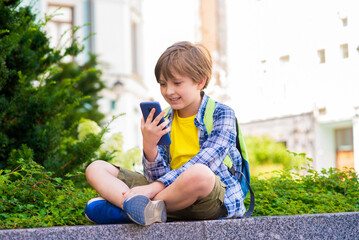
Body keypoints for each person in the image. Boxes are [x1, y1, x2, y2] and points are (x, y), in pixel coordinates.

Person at [85, 41, 246, 226]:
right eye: (163, 84)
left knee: (200, 174)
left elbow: (206, 162)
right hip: (170, 196)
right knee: (96, 168)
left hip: (208, 198)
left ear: (200, 81)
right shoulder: (165, 119)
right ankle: (144, 210)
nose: (168, 91)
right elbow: (156, 176)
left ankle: (128, 210)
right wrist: (149, 146)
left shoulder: (221, 113)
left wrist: (154, 188)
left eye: (177, 83)